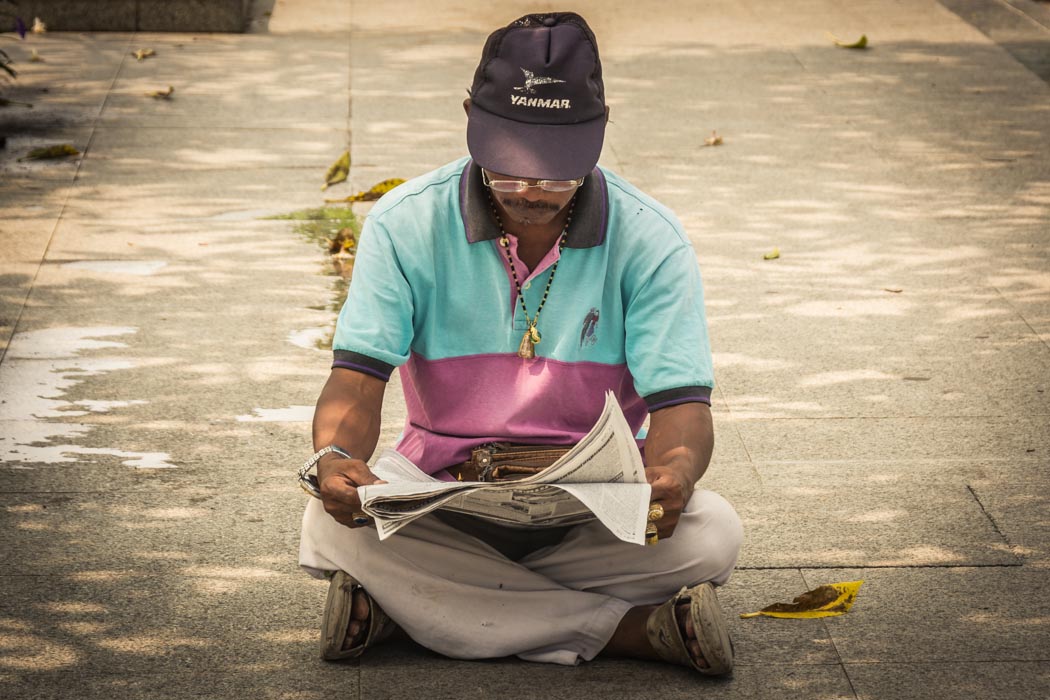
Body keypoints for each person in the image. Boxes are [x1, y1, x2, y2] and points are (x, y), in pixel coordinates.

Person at [298, 11, 743, 676]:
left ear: (596, 137)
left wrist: (674, 475)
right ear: (471, 121)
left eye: (555, 173)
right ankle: (629, 631)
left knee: (713, 535)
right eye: (507, 170)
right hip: (442, 492)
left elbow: (682, 408)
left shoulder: (651, 238)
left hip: (595, 510)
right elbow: (357, 381)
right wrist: (335, 458)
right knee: (324, 525)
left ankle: (412, 612)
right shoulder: (405, 223)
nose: (530, 191)